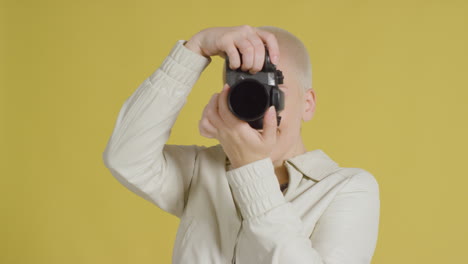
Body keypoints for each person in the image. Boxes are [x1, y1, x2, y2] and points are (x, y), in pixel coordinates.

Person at [102, 25, 380, 264]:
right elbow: (126, 158)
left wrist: (250, 168)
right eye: (246, 93)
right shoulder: (203, 170)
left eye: (272, 93)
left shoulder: (348, 188)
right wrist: (194, 50)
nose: (258, 108)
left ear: (307, 104)